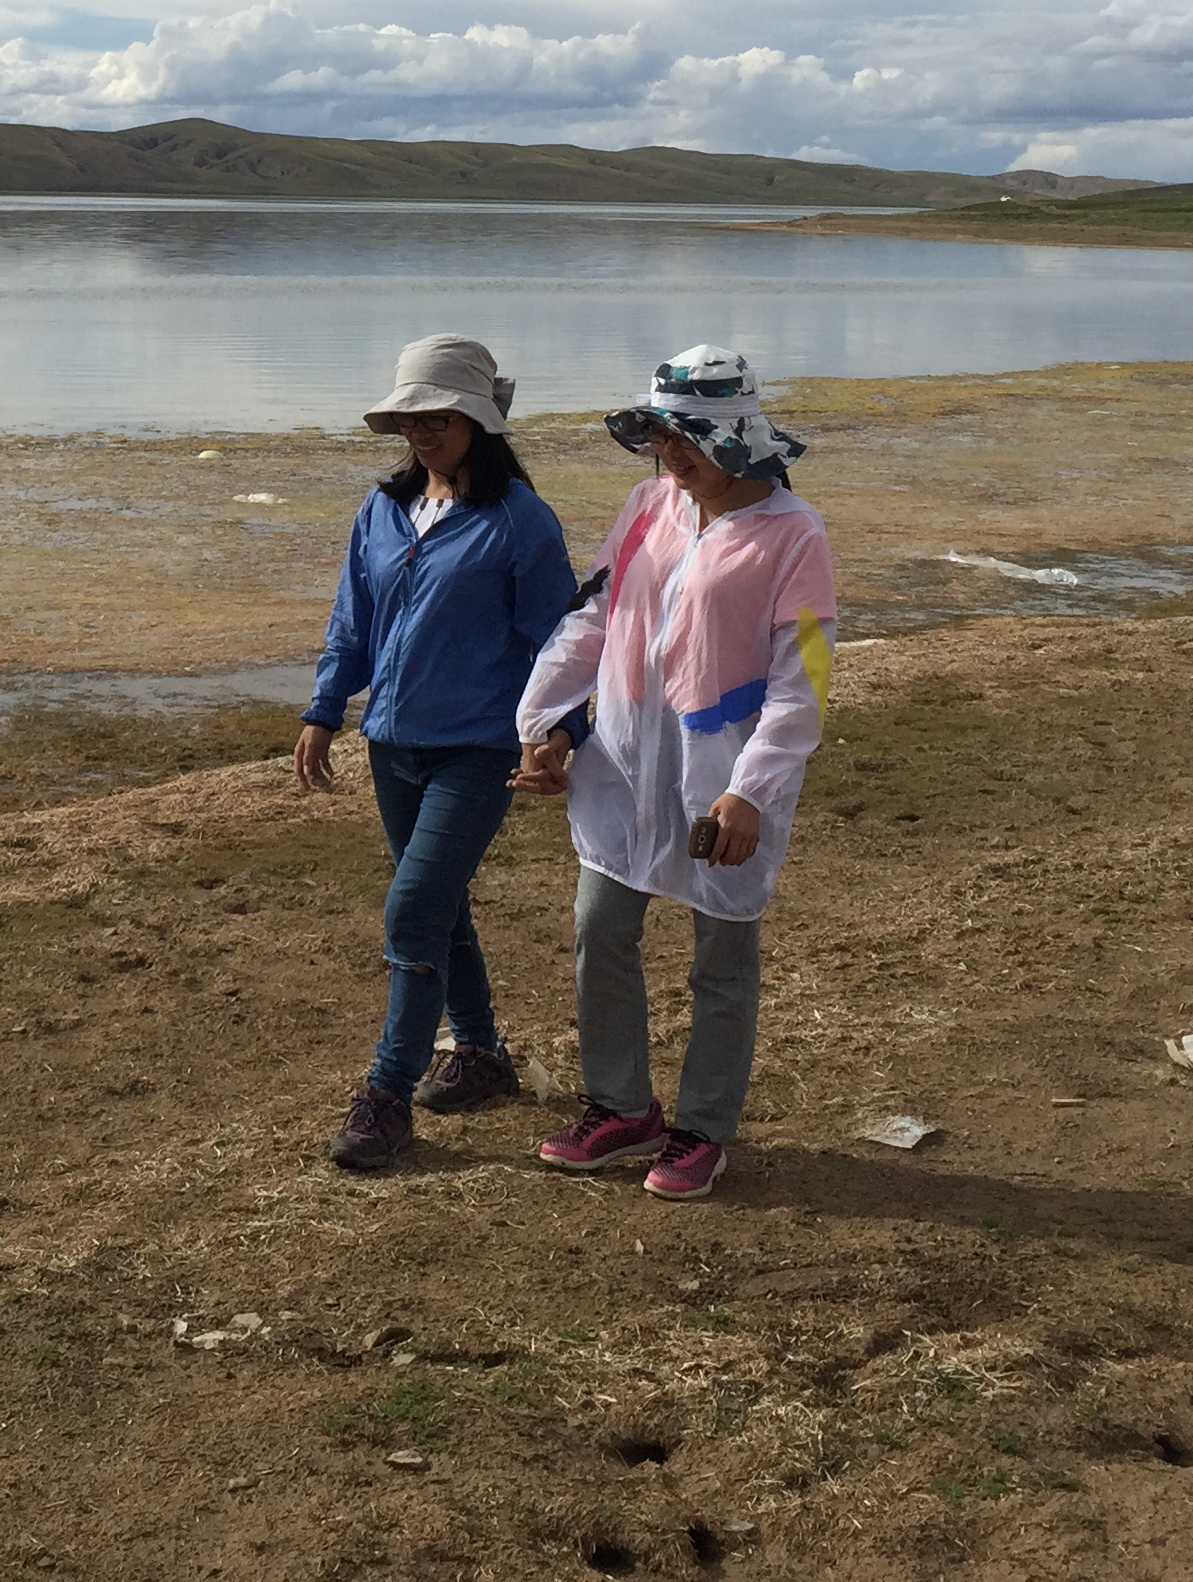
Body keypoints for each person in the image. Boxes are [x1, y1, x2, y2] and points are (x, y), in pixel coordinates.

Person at [511, 344, 835, 1200]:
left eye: (688, 438)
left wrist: (751, 789)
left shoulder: (793, 536)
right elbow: (595, 616)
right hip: (622, 762)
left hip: (720, 778)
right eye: (660, 437)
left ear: (737, 436)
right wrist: (543, 720)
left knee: (721, 959)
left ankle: (702, 1128)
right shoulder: (650, 506)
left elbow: (805, 682)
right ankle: (621, 1107)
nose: (671, 455)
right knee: (599, 931)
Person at [294, 334, 582, 1173]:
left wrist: (562, 733)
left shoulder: (520, 522)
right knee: (441, 908)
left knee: (412, 910)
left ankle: (387, 1093)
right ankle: (484, 1054)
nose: (423, 429)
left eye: (441, 416)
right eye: (411, 416)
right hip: (392, 747)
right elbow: (354, 622)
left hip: (477, 750)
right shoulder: (381, 511)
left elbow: (560, 642)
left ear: (479, 421)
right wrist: (324, 708)